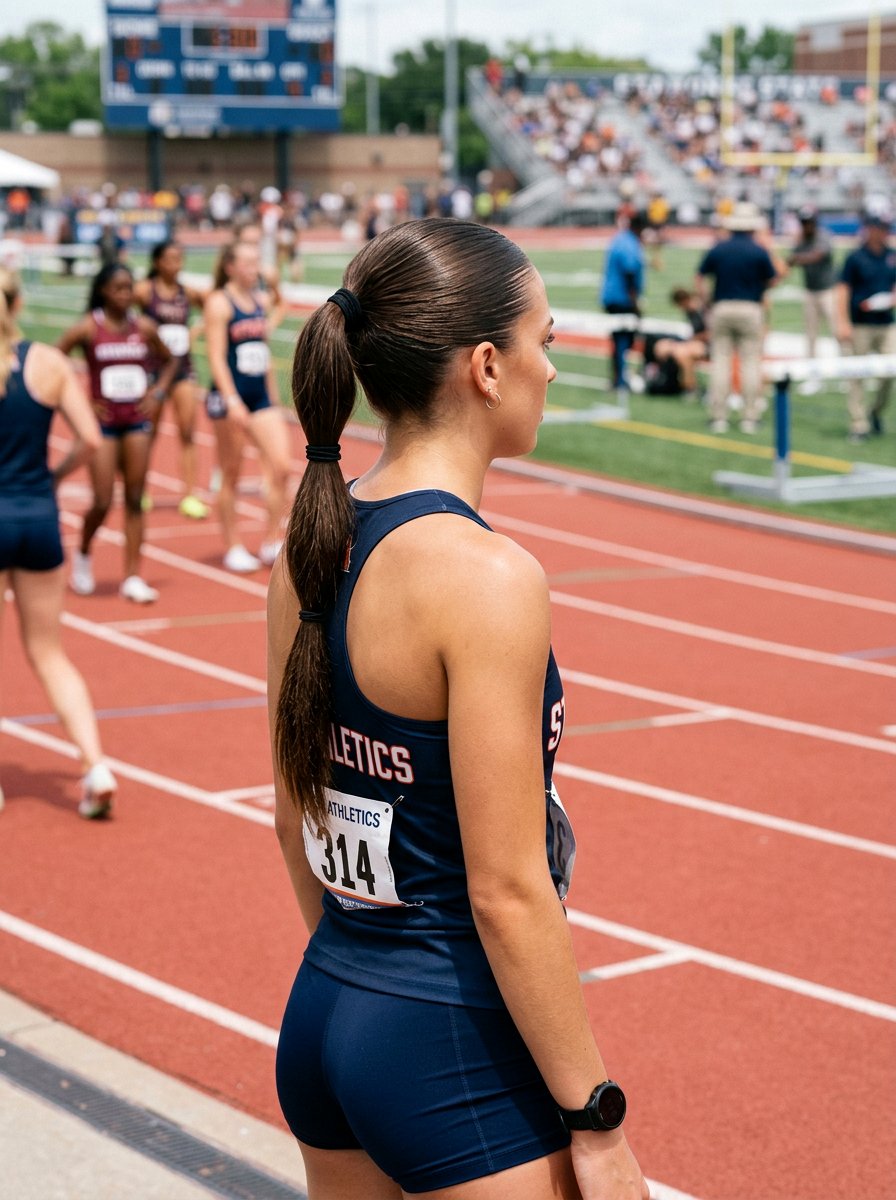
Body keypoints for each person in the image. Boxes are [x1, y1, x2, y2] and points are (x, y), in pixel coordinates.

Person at [268, 219, 649, 1200]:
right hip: (446, 1039)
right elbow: (506, 891)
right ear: (486, 365)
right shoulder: (485, 579)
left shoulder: (313, 540)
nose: (551, 370)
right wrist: (595, 1120)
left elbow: (292, 811)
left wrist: (361, 969)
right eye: (544, 343)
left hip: (325, 1009)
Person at [0, 267, 118, 818]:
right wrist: (52, 477)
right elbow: (91, 441)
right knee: (50, 653)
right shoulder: (46, 363)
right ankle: (95, 765)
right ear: (19, 302)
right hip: (39, 520)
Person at [57, 263, 178, 603]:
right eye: (119, 288)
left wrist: (157, 393)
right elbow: (53, 360)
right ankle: (82, 553)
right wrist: (80, 403)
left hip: (137, 421)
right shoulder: (88, 328)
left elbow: (170, 360)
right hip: (104, 424)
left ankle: (133, 576)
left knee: (136, 497)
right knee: (102, 499)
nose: (126, 294)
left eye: (129, 287)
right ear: (103, 292)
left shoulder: (144, 327)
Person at [204, 241, 291, 573]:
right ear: (230, 267)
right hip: (231, 397)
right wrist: (231, 400)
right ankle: (233, 545)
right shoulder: (219, 303)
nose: (254, 268)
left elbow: (263, 343)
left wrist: (273, 394)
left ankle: (271, 539)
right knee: (231, 472)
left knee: (281, 467)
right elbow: (215, 356)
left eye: (257, 262)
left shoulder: (258, 300)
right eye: (248, 263)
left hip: (260, 397)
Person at [134, 240, 210, 519]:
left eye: (179, 259)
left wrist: (197, 330)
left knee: (188, 430)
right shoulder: (144, 292)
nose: (175, 264)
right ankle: (140, 489)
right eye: (170, 259)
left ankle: (189, 495)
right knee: (149, 432)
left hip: (182, 368)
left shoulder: (187, 292)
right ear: (157, 262)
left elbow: (212, 306)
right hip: (152, 371)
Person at [695, 201, 783, 435]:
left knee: (721, 363)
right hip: (750, 307)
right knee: (751, 363)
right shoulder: (758, 250)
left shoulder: (719, 248)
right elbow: (773, 278)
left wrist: (706, 302)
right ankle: (749, 417)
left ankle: (719, 417)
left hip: (722, 307)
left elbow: (700, 275)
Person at [834, 212, 896, 440]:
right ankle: (858, 423)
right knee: (857, 374)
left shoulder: (891, 255)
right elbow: (842, 289)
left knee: (889, 373)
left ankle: (876, 411)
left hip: (886, 322)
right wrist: (842, 322)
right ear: (870, 229)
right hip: (860, 323)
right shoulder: (856, 257)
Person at [787, 206, 836, 393]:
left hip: (828, 290)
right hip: (810, 291)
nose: (807, 226)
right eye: (804, 223)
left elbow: (817, 255)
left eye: (809, 222)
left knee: (838, 332)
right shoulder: (801, 240)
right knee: (811, 335)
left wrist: (796, 258)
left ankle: (848, 372)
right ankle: (813, 376)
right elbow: (791, 260)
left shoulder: (823, 236)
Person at [601, 212, 647, 397]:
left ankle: (617, 377)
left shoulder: (618, 239)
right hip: (623, 298)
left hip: (611, 295)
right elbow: (630, 271)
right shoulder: (630, 243)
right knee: (624, 340)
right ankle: (620, 379)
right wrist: (635, 300)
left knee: (617, 339)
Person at [644, 288, 709, 398]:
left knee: (682, 354)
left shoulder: (700, 310)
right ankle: (660, 379)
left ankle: (690, 388)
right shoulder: (690, 311)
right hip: (694, 342)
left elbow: (708, 333)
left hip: (707, 345)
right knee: (663, 346)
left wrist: (690, 341)